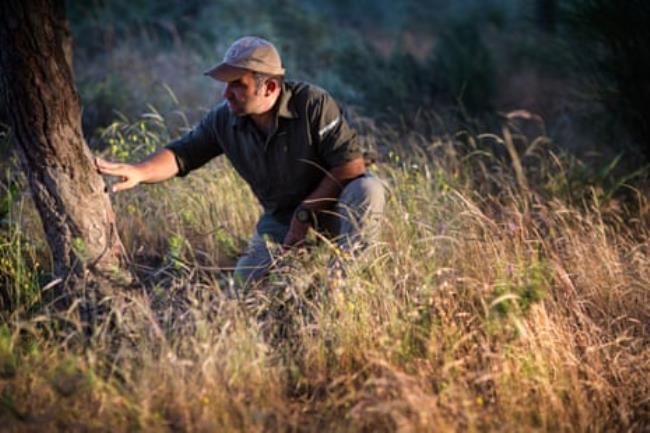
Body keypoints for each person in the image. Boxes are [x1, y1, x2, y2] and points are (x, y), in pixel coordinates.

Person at [96, 36, 385, 287]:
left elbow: (351, 166)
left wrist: (305, 213)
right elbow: (182, 154)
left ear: (270, 87)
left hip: (335, 210)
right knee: (245, 291)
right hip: (280, 222)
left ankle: (343, 287)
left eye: (238, 85)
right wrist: (139, 171)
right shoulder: (224, 118)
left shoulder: (312, 103)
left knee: (368, 190)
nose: (226, 93)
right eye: (225, 84)